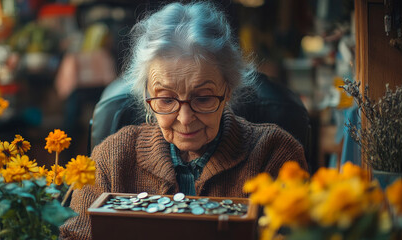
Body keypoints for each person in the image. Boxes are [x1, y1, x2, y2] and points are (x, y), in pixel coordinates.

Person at [60, 2, 306, 239]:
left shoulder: (275, 154)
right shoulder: (110, 159)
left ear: (228, 90)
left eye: (203, 98)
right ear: (147, 95)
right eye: (166, 100)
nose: (185, 119)